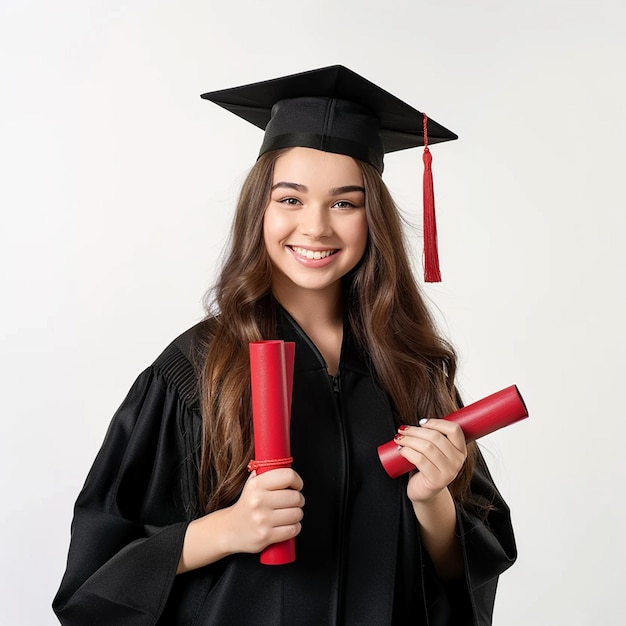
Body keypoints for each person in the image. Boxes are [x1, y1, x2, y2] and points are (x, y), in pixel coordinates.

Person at [53, 66, 516, 625]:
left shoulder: (411, 370)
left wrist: (432, 498)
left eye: (345, 203)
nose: (316, 227)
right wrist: (224, 530)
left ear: (375, 220)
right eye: (290, 200)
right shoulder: (196, 369)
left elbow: (463, 578)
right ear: (260, 210)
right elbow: (98, 576)